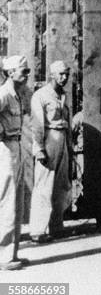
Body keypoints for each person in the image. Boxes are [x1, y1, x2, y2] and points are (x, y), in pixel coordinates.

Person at [30, 60, 73, 243]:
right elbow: (37, 124)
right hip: (49, 138)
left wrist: (69, 145)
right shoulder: (41, 95)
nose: (64, 78)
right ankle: (38, 230)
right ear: (52, 75)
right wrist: (38, 148)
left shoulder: (63, 95)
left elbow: (68, 121)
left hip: (62, 139)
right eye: (61, 74)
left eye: (66, 74)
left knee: (61, 185)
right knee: (43, 185)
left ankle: (57, 226)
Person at [0, 56, 29, 270]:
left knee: (17, 201)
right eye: (23, 70)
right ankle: (4, 256)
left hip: (16, 147)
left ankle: (13, 252)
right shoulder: (3, 94)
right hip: (5, 149)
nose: (26, 74)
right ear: (10, 72)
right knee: (7, 202)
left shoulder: (17, 94)